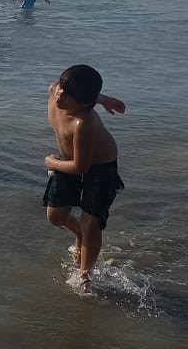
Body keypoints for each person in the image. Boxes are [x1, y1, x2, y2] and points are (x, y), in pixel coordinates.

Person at [42, 65, 127, 292]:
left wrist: (50, 163)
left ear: (83, 104)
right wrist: (105, 99)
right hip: (68, 160)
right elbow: (80, 91)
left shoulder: (83, 123)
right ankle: (79, 232)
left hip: (100, 167)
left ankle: (85, 275)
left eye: (68, 95)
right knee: (56, 215)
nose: (60, 95)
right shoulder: (55, 90)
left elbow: (82, 166)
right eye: (62, 87)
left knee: (91, 222)